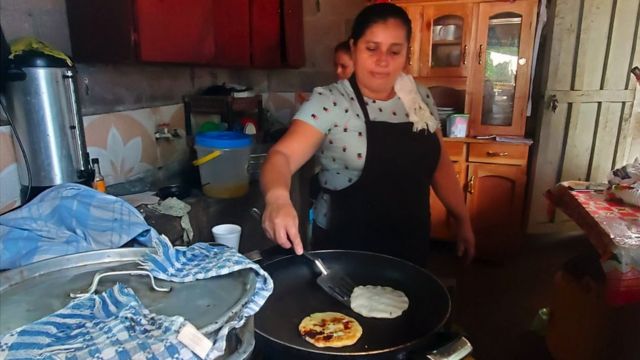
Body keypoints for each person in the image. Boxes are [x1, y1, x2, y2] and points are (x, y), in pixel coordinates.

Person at [260, 3, 475, 266]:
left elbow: (439, 165)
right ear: (354, 48)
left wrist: (462, 219)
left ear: (407, 53)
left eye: (394, 51)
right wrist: (277, 199)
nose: (382, 60)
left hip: (410, 245)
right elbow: (281, 155)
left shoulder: (419, 97)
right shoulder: (331, 101)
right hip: (345, 249)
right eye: (371, 48)